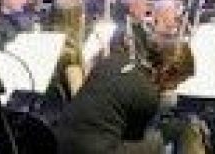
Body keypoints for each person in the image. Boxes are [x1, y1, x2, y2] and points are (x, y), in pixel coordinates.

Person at [53, 36, 196, 154]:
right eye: (178, 82)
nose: (175, 88)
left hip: (60, 142)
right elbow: (132, 138)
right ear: (167, 73)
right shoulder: (148, 94)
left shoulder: (113, 60)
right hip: (95, 149)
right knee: (159, 139)